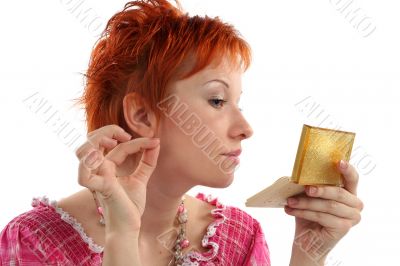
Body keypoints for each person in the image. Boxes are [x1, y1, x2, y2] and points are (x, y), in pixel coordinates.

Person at [0, 0, 364, 265]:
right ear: (142, 114)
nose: (245, 129)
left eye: (239, 102)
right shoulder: (36, 244)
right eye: (218, 100)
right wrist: (121, 236)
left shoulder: (240, 239)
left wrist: (309, 252)